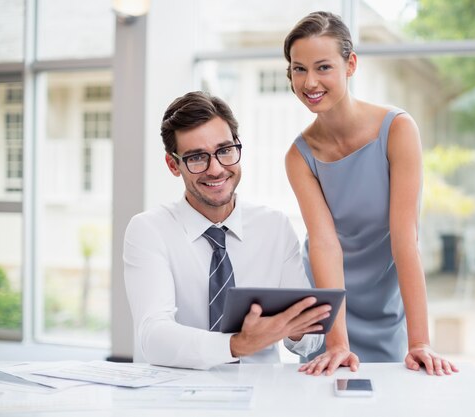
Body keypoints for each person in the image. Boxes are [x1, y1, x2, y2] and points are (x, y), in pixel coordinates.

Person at [283, 11, 459, 376]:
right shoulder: (298, 156)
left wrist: (420, 341)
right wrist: (337, 342)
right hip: (328, 297)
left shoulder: (397, 129)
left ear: (351, 65)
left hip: (383, 295)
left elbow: (405, 239)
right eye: (298, 69)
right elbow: (324, 244)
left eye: (323, 67)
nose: (310, 81)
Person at [124, 91, 327, 370]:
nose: (216, 169)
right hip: (176, 397)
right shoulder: (149, 230)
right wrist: (236, 345)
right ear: (173, 165)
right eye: (197, 157)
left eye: (225, 151)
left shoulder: (275, 228)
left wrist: (292, 327)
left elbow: (310, 340)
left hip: (259, 396)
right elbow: (153, 336)